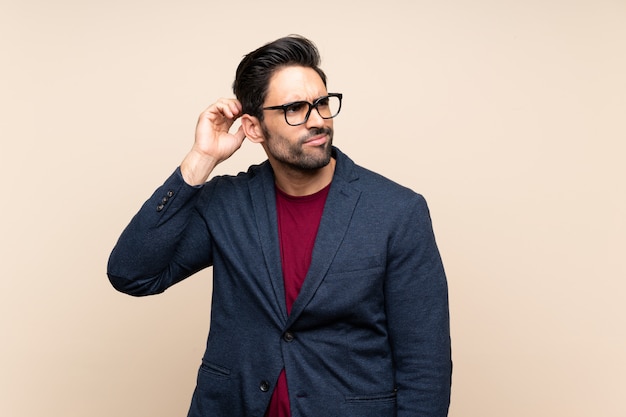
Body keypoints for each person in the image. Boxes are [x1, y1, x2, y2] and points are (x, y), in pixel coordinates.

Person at [107, 35, 452, 417]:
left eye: (322, 103)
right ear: (254, 128)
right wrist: (200, 159)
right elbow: (132, 274)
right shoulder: (227, 204)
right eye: (295, 109)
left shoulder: (396, 212)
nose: (318, 120)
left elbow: (426, 365)